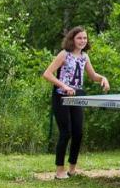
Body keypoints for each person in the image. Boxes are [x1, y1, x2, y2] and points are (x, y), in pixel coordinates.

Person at [41, 27, 109, 179]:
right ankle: (59, 171)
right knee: (66, 132)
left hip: (77, 95)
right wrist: (64, 86)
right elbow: (47, 74)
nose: (83, 41)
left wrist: (103, 78)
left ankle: (72, 169)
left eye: (85, 38)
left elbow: (92, 76)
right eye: (79, 38)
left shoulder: (85, 57)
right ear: (72, 39)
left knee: (78, 132)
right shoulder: (64, 54)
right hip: (61, 96)